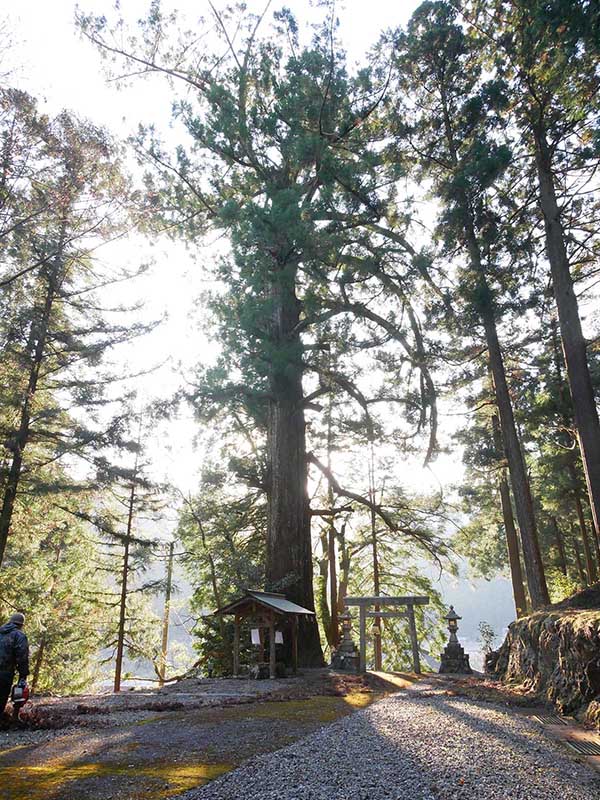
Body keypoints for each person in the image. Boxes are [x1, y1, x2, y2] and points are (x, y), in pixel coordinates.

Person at [0, 612, 29, 715]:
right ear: (21, 624)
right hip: (4, 673)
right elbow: (22, 656)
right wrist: (23, 675)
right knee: (1, 698)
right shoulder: (19, 635)